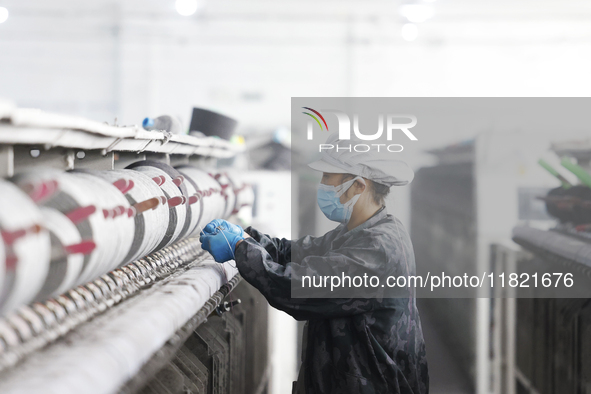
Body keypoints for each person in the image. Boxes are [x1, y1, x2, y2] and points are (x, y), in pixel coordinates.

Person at [200, 133, 429, 394]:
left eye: (328, 178)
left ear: (358, 186)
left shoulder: (380, 248)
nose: (322, 185)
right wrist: (247, 236)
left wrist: (240, 249)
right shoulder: (357, 233)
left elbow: (299, 288)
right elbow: (296, 253)